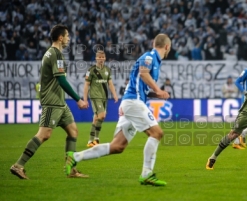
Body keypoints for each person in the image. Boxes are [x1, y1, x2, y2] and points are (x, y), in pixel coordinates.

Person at [65, 34, 171, 186]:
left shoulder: (154, 61)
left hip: (130, 103)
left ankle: (75, 157)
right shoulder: (150, 57)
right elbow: (143, 72)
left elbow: (142, 84)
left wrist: (155, 93)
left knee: (118, 146)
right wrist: (158, 89)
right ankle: (147, 174)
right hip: (134, 102)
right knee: (157, 133)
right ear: (167, 47)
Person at [10, 24, 89, 179]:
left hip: (60, 102)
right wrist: (78, 99)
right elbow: (61, 80)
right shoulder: (55, 54)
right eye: (67, 35)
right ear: (60, 38)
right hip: (52, 101)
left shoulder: (50, 53)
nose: (68, 38)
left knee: (73, 131)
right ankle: (18, 165)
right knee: (44, 134)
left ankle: (71, 169)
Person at [84, 50, 118, 147]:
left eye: (102, 57)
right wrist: (85, 99)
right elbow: (86, 85)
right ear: (96, 58)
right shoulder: (91, 70)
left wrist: (114, 94)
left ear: (105, 58)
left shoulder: (107, 70)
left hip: (104, 97)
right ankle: (96, 138)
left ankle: (92, 140)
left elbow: (110, 83)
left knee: (97, 118)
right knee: (102, 115)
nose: (101, 59)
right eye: (99, 57)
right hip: (95, 96)